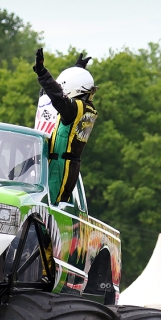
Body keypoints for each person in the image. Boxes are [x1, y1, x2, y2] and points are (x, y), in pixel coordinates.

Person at [33, 48, 98, 205]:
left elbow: (58, 97)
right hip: (66, 167)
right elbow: (57, 94)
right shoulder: (86, 107)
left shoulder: (75, 109)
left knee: (46, 207)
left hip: (59, 169)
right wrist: (78, 71)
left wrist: (42, 73)